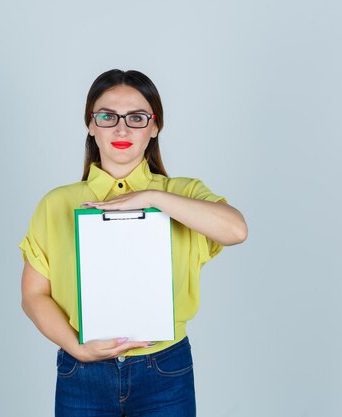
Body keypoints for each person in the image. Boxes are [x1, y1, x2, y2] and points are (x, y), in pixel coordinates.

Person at [19, 69, 247, 417]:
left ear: (155, 126)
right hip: (81, 371)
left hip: (164, 368)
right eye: (107, 117)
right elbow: (34, 295)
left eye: (137, 118)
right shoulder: (56, 203)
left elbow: (236, 231)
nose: (121, 129)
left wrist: (151, 197)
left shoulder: (183, 194)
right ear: (91, 125)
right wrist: (77, 349)